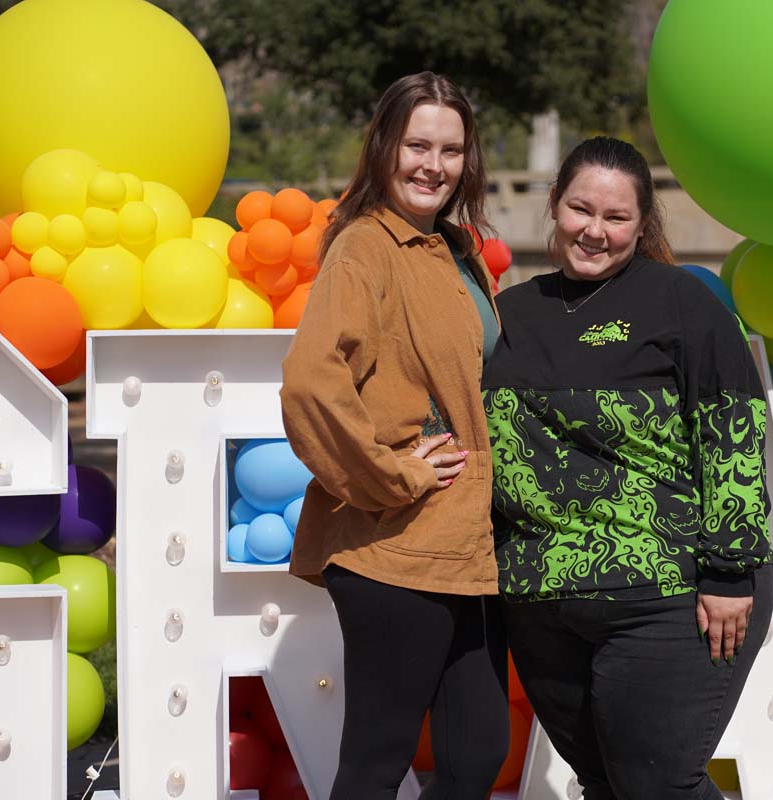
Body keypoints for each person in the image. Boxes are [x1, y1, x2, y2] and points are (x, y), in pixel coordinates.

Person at [482, 136, 773, 800]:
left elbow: (732, 435)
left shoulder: (683, 304)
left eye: (616, 218)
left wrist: (729, 571)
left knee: (659, 786)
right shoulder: (509, 315)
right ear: (554, 206)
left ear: (643, 226)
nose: (595, 231)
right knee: (605, 787)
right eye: (581, 209)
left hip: (667, 598)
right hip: (538, 605)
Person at [279, 72, 508, 800]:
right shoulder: (364, 248)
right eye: (417, 145)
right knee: (377, 764)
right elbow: (311, 383)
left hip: (470, 544)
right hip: (395, 546)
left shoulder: (454, 249)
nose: (432, 165)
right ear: (384, 147)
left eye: (450, 149)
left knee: (476, 757)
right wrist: (393, 473)